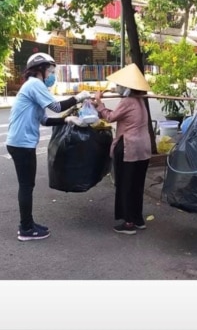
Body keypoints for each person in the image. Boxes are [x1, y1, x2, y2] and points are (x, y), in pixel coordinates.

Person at [6, 52, 90, 241]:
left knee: (28, 185)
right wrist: (79, 97)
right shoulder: (34, 84)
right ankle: (25, 229)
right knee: (26, 186)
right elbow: (57, 107)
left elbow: (44, 119)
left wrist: (67, 120)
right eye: (50, 71)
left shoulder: (33, 87)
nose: (52, 75)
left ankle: (28, 223)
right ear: (41, 69)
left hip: (20, 142)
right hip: (21, 143)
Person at [92, 63, 152, 235]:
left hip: (129, 148)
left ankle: (128, 222)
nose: (116, 87)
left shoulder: (127, 101)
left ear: (127, 87)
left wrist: (98, 102)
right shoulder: (141, 100)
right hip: (143, 148)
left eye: (119, 85)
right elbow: (120, 115)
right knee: (137, 184)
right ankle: (138, 219)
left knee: (125, 184)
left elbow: (110, 117)